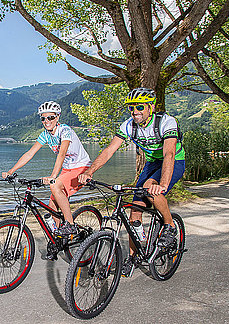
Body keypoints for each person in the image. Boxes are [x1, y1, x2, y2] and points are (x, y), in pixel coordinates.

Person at [78, 87, 186, 278]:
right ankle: (133, 257)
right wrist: (89, 171)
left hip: (174, 162)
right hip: (153, 163)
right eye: (131, 108)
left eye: (139, 107)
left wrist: (161, 184)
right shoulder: (129, 125)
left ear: (150, 107)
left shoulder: (166, 122)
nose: (135, 111)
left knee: (150, 190)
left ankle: (169, 225)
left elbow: (169, 154)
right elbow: (109, 150)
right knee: (134, 211)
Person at [2, 101, 92, 237]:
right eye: (43, 118)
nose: (46, 121)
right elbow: (29, 153)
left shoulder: (65, 131)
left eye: (50, 117)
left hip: (81, 167)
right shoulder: (45, 135)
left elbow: (62, 153)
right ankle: (58, 238)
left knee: (55, 186)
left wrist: (53, 176)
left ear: (57, 117)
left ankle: (71, 225)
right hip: (67, 169)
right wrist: (11, 171)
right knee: (52, 204)